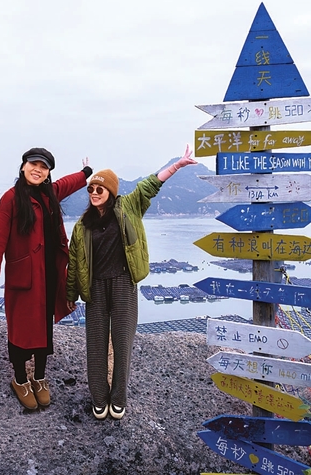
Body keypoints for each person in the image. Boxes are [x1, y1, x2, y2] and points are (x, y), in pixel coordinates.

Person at [66, 144, 197, 420]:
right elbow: (75, 262)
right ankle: (98, 398)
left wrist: (177, 166)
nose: (94, 193)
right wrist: (70, 294)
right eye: (91, 189)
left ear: (111, 191)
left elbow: (150, 185)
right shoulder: (82, 225)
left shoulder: (129, 206)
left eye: (99, 189)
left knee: (122, 342)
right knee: (96, 345)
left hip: (124, 284)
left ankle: (118, 398)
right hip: (95, 288)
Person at [0, 148, 91, 410]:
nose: (38, 170)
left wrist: (86, 173)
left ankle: (40, 377)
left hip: (49, 271)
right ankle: (20, 379)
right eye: (34, 164)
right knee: (20, 329)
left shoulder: (49, 193)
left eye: (44, 167)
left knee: (44, 326)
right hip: (24, 274)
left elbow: (68, 183)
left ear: (48, 173)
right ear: (23, 167)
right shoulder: (11, 198)